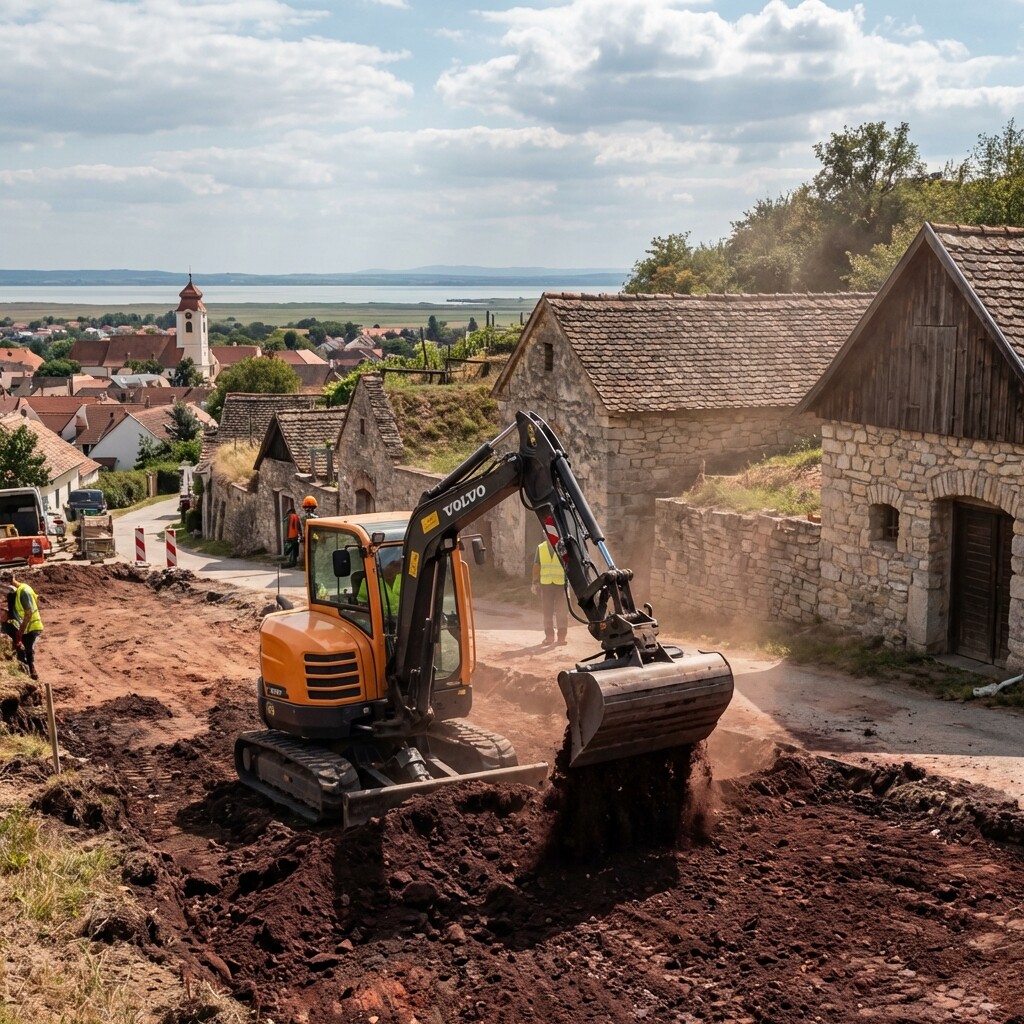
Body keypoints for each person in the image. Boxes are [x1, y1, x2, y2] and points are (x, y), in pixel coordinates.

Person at [1, 573, 43, 680]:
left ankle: (32, 672)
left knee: (28, 651)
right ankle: (24, 668)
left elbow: (28, 613)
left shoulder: (24, 591)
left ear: (10, 583)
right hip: (21, 626)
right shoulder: (14, 593)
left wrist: (20, 632)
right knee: (18, 650)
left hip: (31, 627)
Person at [532, 539, 567, 645]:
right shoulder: (541, 548)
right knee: (547, 611)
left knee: (562, 611)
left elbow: (568, 564)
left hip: (561, 584)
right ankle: (549, 636)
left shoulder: (563, 547)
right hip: (546, 584)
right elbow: (536, 566)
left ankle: (561, 637)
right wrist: (535, 582)